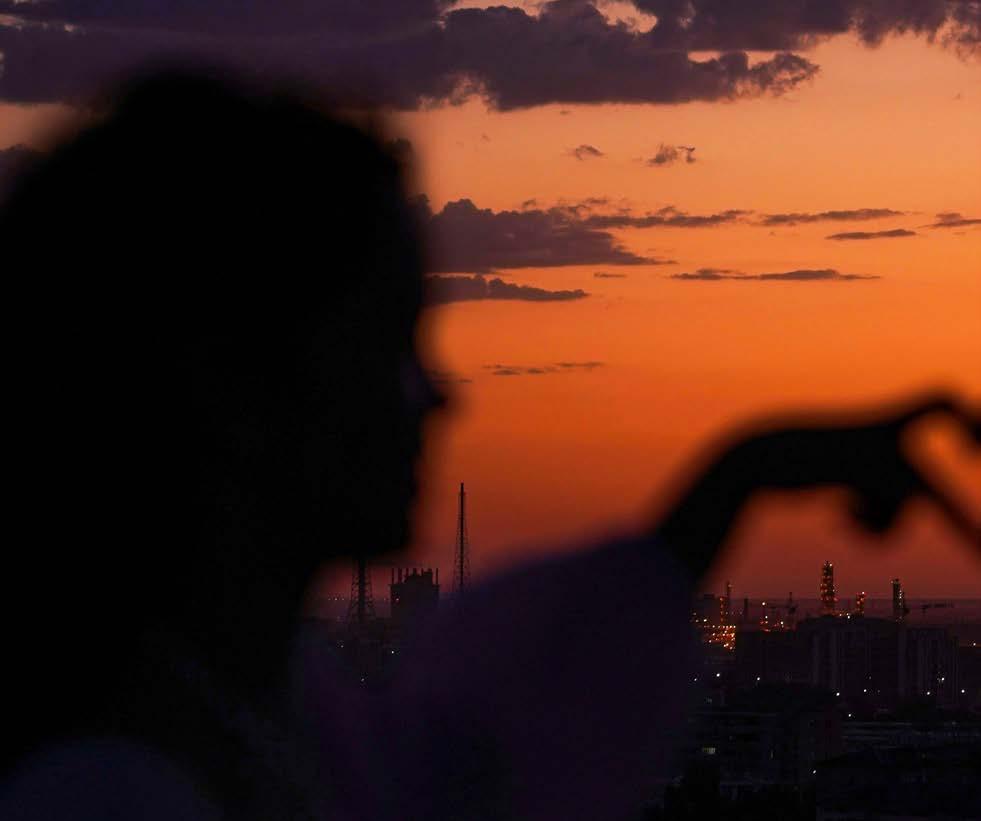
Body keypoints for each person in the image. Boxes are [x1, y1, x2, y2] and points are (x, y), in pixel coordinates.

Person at [1, 71, 977, 821]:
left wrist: (740, 477)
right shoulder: (108, 788)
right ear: (232, 384)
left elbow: (467, 758)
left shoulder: (266, 712)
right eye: (385, 346)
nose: (438, 395)